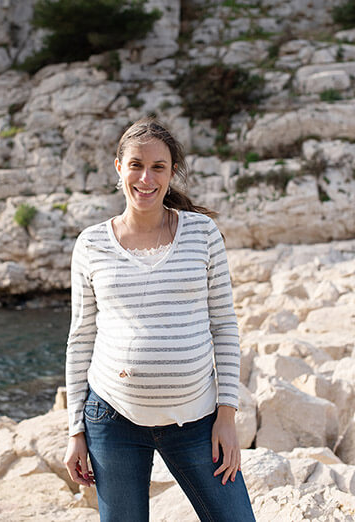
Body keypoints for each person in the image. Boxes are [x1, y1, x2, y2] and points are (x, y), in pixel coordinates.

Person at [63, 118, 255, 521]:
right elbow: (81, 337)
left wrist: (227, 415)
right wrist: (75, 432)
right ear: (118, 167)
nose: (145, 178)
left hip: (198, 420)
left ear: (171, 173)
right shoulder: (91, 243)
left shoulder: (202, 233)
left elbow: (224, 324)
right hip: (112, 420)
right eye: (135, 164)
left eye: (158, 167)